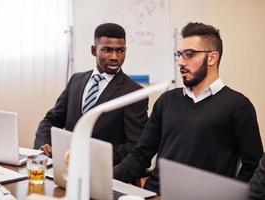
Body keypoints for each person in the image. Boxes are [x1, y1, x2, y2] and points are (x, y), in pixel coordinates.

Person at [114, 22, 263, 194]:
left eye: (189, 54)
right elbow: (140, 155)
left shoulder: (238, 106)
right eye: (179, 55)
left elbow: (253, 167)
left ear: (212, 58)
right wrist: (108, 177)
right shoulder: (167, 100)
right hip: (156, 194)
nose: (180, 62)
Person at [33, 23, 148, 166]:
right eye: (107, 50)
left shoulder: (134, 93)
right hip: (65, 166)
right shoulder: (76, 80)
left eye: (120, 51)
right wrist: (44, 143)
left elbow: (135, 146)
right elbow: (52, 120)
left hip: (102, 170)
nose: (115, 57)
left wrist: (90, 155)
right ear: (94, 50)